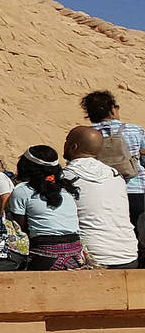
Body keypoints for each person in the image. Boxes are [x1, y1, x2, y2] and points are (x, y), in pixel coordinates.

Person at [63, 125, 139, 268]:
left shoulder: (66, 177)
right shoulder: (116, 176)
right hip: (128, 254)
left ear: (73, 146)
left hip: (92, 258)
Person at [7, 146, 87, 270]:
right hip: (76, 255)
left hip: (44, 255)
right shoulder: (67, 190)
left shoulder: (22, 191)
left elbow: (20, 229)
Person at [82, 90, 144, 224]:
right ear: (112, 110)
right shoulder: (135, 130)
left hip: (103, 192)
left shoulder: (86, 135)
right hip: (136, 189)